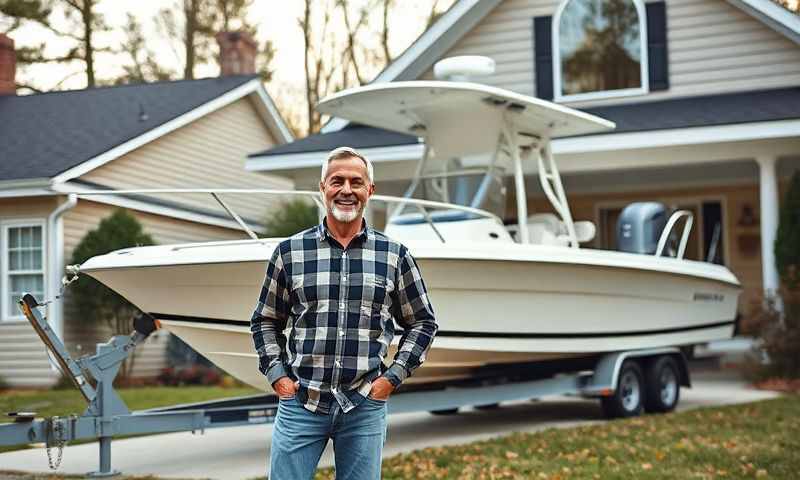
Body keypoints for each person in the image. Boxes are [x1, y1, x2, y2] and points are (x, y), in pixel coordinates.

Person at [251, 146, 438, 479]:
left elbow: (422, 322)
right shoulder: (289, 253)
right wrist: (278, 374)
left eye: (356, 181)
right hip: (301, 401)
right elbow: (265, 319)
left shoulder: (394, 256)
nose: (347, 190)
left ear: (370, 190)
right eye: (337, 181)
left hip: (365, 403)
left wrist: (391, 379)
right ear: (323, 188)